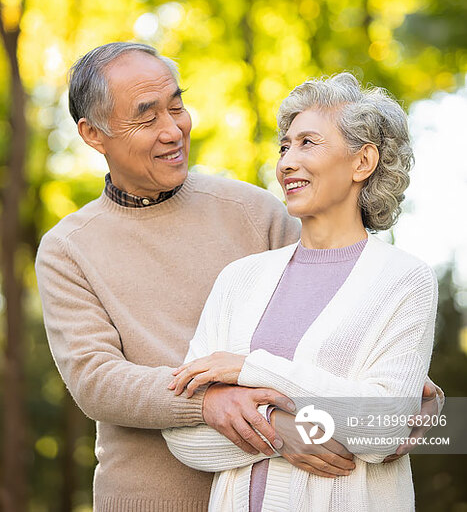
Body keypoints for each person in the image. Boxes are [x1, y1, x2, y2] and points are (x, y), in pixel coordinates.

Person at [36, 47, 440, 511]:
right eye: (147, 119)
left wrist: (410, 398)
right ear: (93, 134)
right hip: (153, 495)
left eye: (176, 105)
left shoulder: (255, 211)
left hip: (295, 490)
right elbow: (97, 380)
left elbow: (343, 316)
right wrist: (214, 404)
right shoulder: (69, 247)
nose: (173, 130)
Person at [163, 73, 439, 511]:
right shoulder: (239, 279)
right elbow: (183, 434)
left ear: (362, 162)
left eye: (308, 142)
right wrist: (282, 433)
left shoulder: (405, 279)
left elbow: (381, 428)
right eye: (285, 146)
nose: (287, 161)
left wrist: (250, 371)